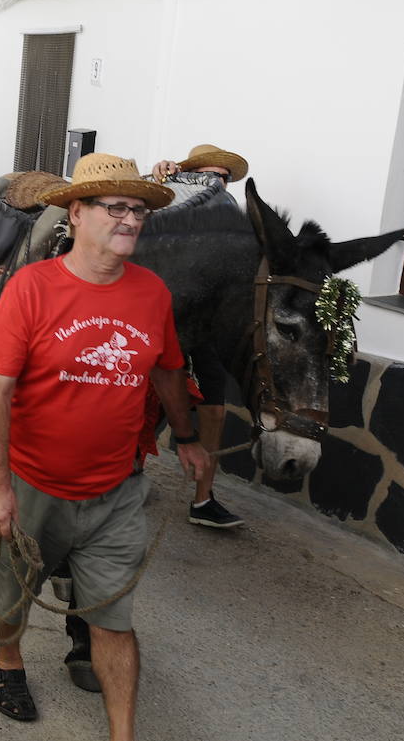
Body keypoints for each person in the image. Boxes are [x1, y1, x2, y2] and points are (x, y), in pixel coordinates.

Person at [0, 153, 209, 736]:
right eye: (116, 208)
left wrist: (187, 438)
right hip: (33, 486)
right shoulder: (32, 288)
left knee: (114, 620)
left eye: (137, 210)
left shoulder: (152, 293)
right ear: (77, 213)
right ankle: (8, 662)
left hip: (116, 491)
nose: (130, 219)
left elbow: (167, 371)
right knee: (13, 597)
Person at [150, 143, 250, 530]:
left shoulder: (229, 219)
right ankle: (122, 476)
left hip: (203, 325)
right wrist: (157, 174)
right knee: (143, 396)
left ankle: (204, 498)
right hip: (164, 319)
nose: (217, 183)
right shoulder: (170, 196)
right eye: (210, 176)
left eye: (223, 178)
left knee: (214, 408)